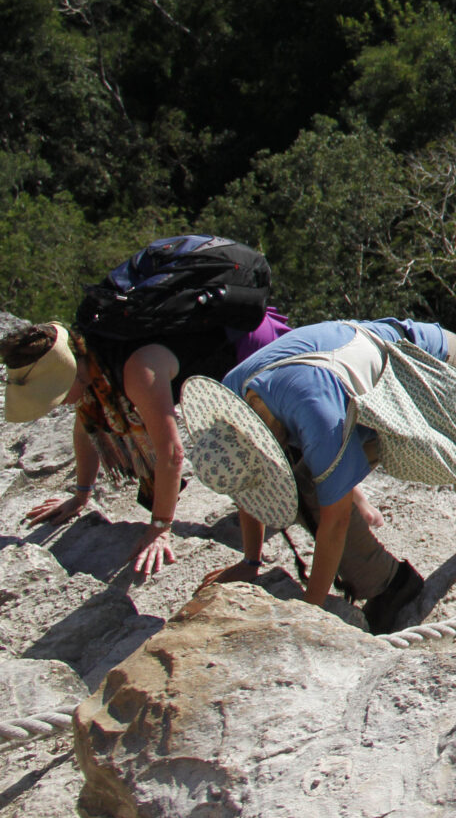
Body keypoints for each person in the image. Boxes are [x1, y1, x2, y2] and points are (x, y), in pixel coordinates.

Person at [187, 318, 456, 634]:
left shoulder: (313, 410)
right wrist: (250, 564)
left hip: (441, 373)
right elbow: (249, 482)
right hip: (378, 395)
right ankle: (390, 586)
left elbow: (336, 519)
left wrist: (309, 612)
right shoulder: (233, 397)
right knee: (307, 488)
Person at [4, 236, 284, 576]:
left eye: (57, 393)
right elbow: (86, 427)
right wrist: (81, 495)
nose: (58, 403)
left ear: (71, 375)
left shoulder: (136, 372)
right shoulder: (91, 349)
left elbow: (171, 455)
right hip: (224, 342)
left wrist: (160, 527)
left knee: (292, 462)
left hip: (252, 348)